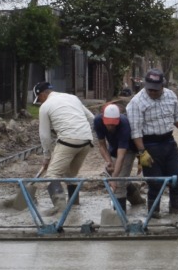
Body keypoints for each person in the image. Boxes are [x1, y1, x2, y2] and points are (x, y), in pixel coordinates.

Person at [124, 68, 178, 214]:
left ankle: (175, 212)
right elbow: (135, 131)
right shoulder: (136, 102)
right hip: (149, 145)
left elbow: (177, 116)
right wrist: (142, 152)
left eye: (156, 89)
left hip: (168, 142)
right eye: (150, 89)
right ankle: (153, 215)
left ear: (162, 86)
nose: (153, 92)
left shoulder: (170, 95)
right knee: (155, 183)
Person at [35, 81, 94, 210]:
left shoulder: (45, 106)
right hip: (87, 141)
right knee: (70, 175)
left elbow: (45, 135)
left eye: (38, 99)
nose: (39, 102)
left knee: (51, 176)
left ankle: (60, 210)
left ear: (42, 95)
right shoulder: (72, 97)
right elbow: (92, 118)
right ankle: (74, 207)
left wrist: (47, 156)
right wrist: (85, 133)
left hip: (68, 140)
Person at [92, 101, 142, 207]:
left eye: (113, 124)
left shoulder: (124, 124)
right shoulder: (97, 121)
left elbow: (121, 156)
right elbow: (102, 145)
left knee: (118, 182)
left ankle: (119, 215)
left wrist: (114, 178)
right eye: (108, 124)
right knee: (119, 176)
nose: (110, 127)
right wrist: (108, 161)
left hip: (129, 149)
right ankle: (137, 200)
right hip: (114, 147)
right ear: (103, 119)